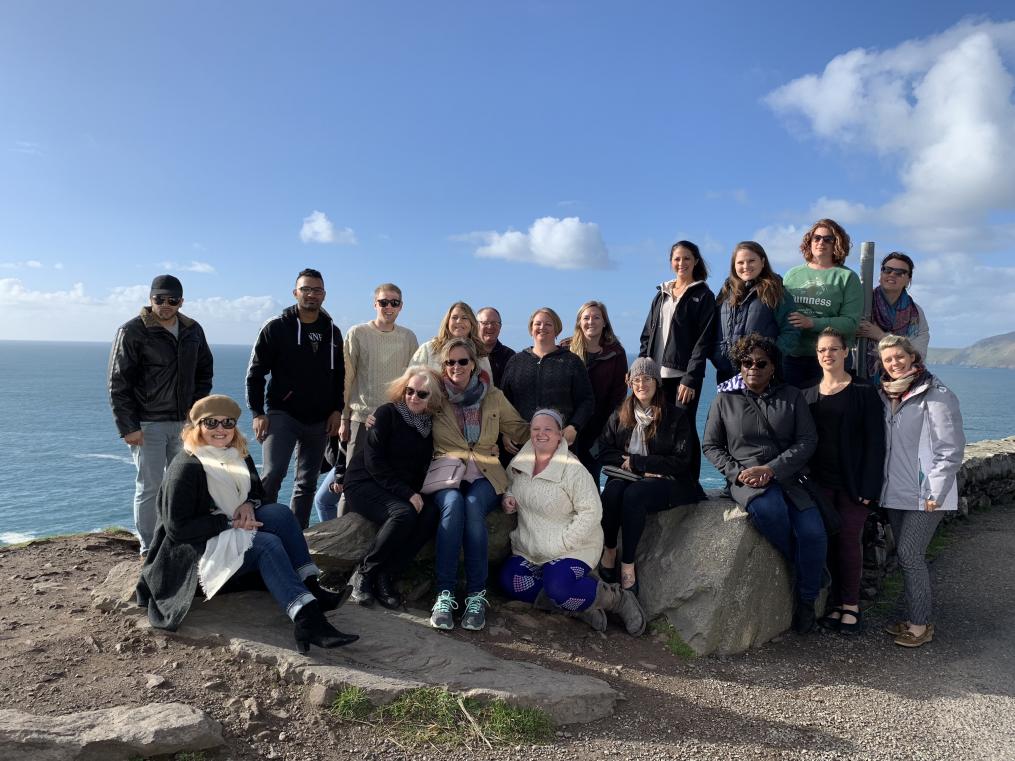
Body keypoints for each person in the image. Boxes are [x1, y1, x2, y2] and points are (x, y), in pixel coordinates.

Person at [135, 395, 357, 653]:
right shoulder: (187, 466)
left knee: (282, 514)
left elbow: (258, 493)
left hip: (228, 533)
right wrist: (230, 521)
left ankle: (310, 587)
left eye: (227, 423)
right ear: (197, 428)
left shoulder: (237, 454)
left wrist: (247, 505)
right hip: (194, 557)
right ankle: (307, 619)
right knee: (267, 544)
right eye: (211, 423)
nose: (220, 430)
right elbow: (178, 530)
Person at [702, 333, 825, 634]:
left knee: (814, 533)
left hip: (788, 476)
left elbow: (808, 440)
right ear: (739, 366)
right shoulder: (725, 399)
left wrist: (772, 469)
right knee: (770, 510)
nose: (753, 368)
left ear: (773, 367)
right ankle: (800, 565)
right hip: (746, 479)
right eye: (747, 362)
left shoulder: (791, 396)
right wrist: (736, 473)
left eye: (761, 363)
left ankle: (806, 600)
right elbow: (711, 445)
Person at [499, 410, 647, 636]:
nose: (541, 434)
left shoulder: (573, 469)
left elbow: (592, 511)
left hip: (572, 547)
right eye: (536, 429)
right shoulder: (520, 464)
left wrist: (564, 541)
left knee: (558, 586)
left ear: (560, 435)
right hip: (531, 546)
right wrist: (508, 498)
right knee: (511, 581)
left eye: (548, 429)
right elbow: (510, 486)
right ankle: (577, 607)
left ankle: (616, 600)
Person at [428, 338, 530, 631]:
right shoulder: (436, 395)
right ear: (444, 366)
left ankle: (476, 594)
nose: (456, 367)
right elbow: (409, 408)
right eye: (450, 362)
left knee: (473, 505)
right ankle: (444, 593)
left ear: (473, 363)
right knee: (452, 504)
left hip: (486, 473)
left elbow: (519, 428)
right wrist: (377, 419)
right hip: (447, 472)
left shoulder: (493, 396)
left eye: (462, 361)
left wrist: (554, 427)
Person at [109, 274, 214, 555]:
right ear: (150, 298)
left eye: (172, 300)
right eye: (159, 299)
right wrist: (128, 426)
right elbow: (118, 382)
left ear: (181, 301)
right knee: (150, 487)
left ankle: (181, 542)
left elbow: (204, 372)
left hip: (184, 424)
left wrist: (196, 411)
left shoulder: (193, 330)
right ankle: (150, 547)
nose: (166, 305)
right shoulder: (133, 331)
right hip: (148, 423)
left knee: (186, 485)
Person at [877, 335, 964, 648]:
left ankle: (921, 623)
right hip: (895, 492)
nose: (895, 363)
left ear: (912, 357)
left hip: (926, 494)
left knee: (910, 555)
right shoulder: (886, 393)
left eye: (899, 357)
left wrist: (935, 491)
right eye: (888, 359)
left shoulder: (936, 394)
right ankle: (913, 614)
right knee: (905, 557)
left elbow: (950, 448)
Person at [596, 358, 705, 596]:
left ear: (657, 382)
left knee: (635, 495)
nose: (641, 384)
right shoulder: (620, 414)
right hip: (630, 476)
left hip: (669, 482)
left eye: (646, 379)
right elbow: (603, 451)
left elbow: (681, 460)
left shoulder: (675, 416)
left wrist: (638, 462)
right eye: (636, 379)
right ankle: (610, 551)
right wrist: (637, 467)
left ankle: (627, 565)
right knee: (613, 492)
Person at [245, 268, 345, 529]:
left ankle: (296, 536)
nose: (312, 294)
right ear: (295, 292)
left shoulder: (332, 331)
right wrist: (257, 413)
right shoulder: (276, 327)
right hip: (282, 414)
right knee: (273, 474)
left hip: (320, 419)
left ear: (324, 295)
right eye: (306, 289)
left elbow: (339, 376)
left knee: (306, 483)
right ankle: (261, 532)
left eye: (317, 290)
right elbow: (255, 373)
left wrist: (337, 410)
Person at [801, 328, 885, 634]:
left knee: (849, 540)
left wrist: (869, 487)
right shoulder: (807, 394)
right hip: (819, 483)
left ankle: (851, 606)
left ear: (845, 352)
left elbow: (876, 443)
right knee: (827, 542)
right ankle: (835, 603)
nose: (827, 355)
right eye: (822, 350)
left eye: (833, 349)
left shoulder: (863, 391)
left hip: (853, 484)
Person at [315, 283, 418, 521]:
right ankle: (340, 541)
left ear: (401, 306)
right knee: (350, 483)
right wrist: (344, 418)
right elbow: (346, 378)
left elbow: (411, 380)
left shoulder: (408, 337)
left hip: (394, 420)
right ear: (375, 304)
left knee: (386, 482)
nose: (388, 307)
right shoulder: (358, 333)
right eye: (383, 302)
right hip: (360, 419)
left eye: (394, 303)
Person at [344, 366, 443, 609]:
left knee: (430, 513)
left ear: (433, 398)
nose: (413, 397)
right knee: (403, 513)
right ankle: (365, 573)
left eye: (422, 394)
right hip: (364, 482)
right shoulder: (386, 414)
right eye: (410, 391)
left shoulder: (429, 426)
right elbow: (373, 462)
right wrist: (407, 494)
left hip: (395, 488)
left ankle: (387, 574)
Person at [639, 240, 716, 481]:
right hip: (656, 376)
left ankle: (689, 482)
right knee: (656, 427)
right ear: (671, 262)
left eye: (686, 258)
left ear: (695, 261)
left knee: (683, 427)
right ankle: (660, 476)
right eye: (677, 259)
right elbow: (647, 335)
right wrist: (641, 369)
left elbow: (703, 342)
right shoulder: (661, 294)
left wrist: (690, 378)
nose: (681, 263)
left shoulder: (703, 295)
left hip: (683, 376)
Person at [500, 307, 594, 452]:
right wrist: (506, 432)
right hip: (521, 444)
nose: (542, 327)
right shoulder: (515, 362)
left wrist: (574, 427)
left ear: (557, 330)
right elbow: (504, 402)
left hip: (561, 442)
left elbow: (586, 401)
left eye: (548, 324)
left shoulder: (571, 362)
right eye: (537, 324)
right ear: (531, 328)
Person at [783, 219, 862, 388]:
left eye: (828, 239)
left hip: (831, 359)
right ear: (809, 241)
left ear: (837, 243)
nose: (821, 242)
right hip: (792, 357)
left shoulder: (847, 277)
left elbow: (851, 323)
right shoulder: (792, 274)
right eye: (816, 238)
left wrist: (811, 323)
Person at [712, 241, 799, 384]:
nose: (746, 266)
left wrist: (768, 359)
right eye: (740, 262)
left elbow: (791, 331)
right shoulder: (725, 294)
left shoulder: (777, 292)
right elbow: (713, 332)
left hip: (764, 377)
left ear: (763, 262)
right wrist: (719, 358)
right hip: (728, 376)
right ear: (734, 266)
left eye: (751, 261)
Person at [560, 300, 628, 480]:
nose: (591, 321)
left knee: (590, 479)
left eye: (597, 317)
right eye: (586, 317)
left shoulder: (616, 353)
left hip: (598, 429)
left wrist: (606, 432)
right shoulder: (565, 349)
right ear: (579, 322)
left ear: (605, 322)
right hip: (567, 427)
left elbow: (618, 397)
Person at [857, 253, 930, 381]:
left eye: (899, 272)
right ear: (880, 275)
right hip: (860, 377)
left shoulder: (916, 313)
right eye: (887, 270)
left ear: (908, 280)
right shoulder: (861, 303)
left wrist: (881, 336)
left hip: (902, 381)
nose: (892, 275)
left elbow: (918, 352)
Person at [411, 301, 492, 379]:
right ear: (447, 322)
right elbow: (410, 379)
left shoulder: (480, 354)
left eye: (464, 318)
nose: (459, 321)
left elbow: (489, 387)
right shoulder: (428, 349)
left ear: (472, 323)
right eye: (454, 317)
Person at [476, 307, 515, 387]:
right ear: (476, 326)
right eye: (485, 323)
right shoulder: (467, 353)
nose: (490, 326)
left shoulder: (510, 356)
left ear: (500, 327)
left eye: (494, 323)